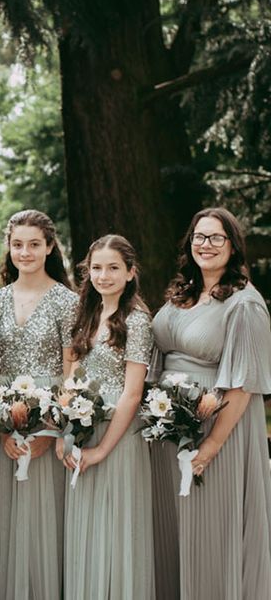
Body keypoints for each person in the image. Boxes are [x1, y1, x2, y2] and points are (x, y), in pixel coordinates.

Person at [151, 207, 271, 599]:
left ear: (233, 246)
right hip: (171, 426)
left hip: (217, 428)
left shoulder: (244, 303)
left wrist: (210, 446)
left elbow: (243, 387)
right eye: (199, 237)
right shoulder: (183, 292)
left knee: (210, 528)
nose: (206, 245)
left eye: (216, 237)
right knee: (175, 527)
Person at [0, 210, 76, 599]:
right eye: (18, 244)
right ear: (9, 247)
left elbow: (72, 372)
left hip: (50, 419)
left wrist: (51, 428)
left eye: (34, 244)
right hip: (5, 421)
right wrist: (5, 424)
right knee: (4, 518)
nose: (25, 252)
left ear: (50, 247)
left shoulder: (68, 302)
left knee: (45, 521)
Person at [62, 234, 154, 600]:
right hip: (82, 428)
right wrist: (65, 433)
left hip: (116, 434)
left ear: (131, 273)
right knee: (88, 527)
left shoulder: (137, 321)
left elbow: (133, 393)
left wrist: (101, 450)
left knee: (115, 526)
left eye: (113, 268)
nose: (104, 275)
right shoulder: (86, 314)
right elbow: (71, 378)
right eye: (97, 268)